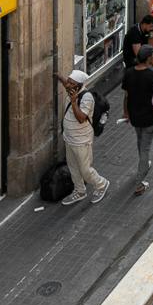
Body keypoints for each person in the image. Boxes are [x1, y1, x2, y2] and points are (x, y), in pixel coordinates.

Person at [55, 68, 109, 205]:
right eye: (69, 82)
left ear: (79, 85)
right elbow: (65, 83)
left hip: (82, 141)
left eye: (71, 83)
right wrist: (59, 76)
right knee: (73, 167)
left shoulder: (86, 97)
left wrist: (73, 102)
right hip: (69, 138)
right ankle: (79, 191)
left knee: (85, 170)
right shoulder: (72, 89)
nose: (68, 85)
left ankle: (101, 184)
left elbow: (81, 118)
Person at [121, 43, 153, 195]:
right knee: (145, 147)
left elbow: (126, 96)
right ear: (149, 58)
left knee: (140, 141)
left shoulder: (129, 73)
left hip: (135, 116)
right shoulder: (152, 76)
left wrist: (125, 113)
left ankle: (143, 164)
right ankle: (139, 182)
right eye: (152, 56)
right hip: (148, 118)